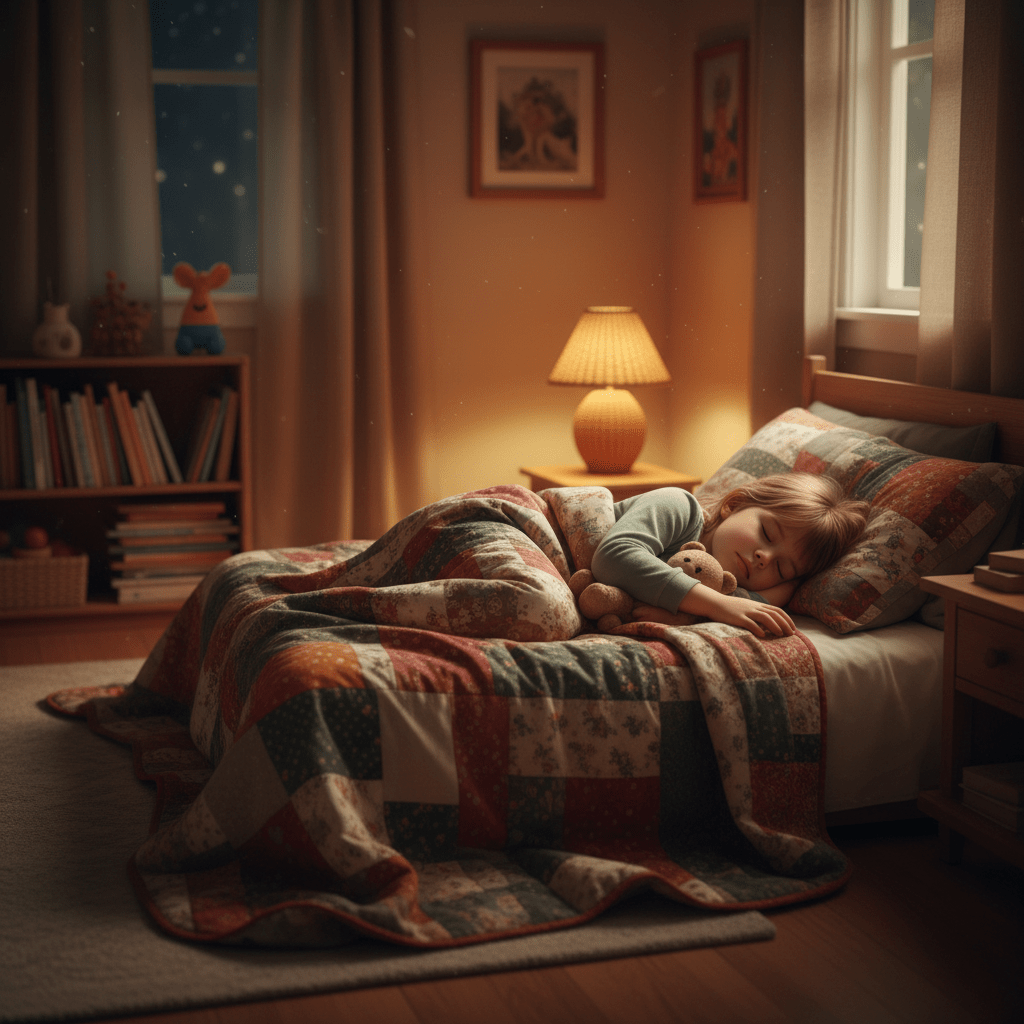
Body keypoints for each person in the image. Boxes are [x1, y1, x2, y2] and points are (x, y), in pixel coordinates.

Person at [590, 473, 869, 639]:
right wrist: (717, 606)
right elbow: (612, 558)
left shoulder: (725, 587)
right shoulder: (679, 506)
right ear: (734, 505)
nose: (764, 558)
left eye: (782, 568)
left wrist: (692, 616)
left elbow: (749, 605)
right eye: (767, 533)